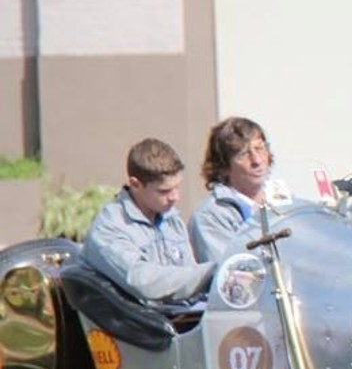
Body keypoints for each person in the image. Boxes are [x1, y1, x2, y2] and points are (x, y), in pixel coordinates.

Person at [79, 138, 215, 303]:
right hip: (137, 325)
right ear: (135, 184)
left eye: (177, 187)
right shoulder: (109, 228)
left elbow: (189, 274)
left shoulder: (171, 219)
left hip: (181, 317)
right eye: (164, 191)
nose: (175, 197)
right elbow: (143, 281)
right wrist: (212, 272)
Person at [190, 117, 274, 262]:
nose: (257, 160)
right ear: (223, 167)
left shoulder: (281, 200)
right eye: (243, 154)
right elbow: (230, 272)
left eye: (260, 148)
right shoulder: (211, 215)